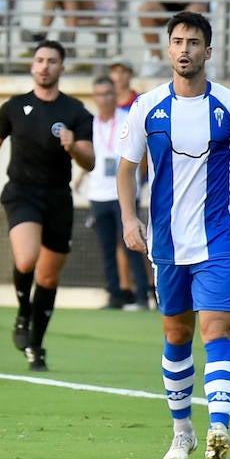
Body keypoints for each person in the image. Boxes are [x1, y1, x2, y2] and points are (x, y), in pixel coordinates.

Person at [117, 11, 230, 459]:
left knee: (216, 330)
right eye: (177, 41)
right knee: (176, 332)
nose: (184, 49)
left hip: (218, 240)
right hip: (165, 243)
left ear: (208, 50)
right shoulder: (145, 107)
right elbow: (127, 169)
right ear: (168, 49)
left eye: (193, 42)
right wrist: (129, 219)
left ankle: (218, 427)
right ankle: (182, 430)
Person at [0, 39, 94, 371]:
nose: (45, 66)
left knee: (49, 279)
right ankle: (23, 311)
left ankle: (36, 346)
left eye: (52, 61)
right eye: (40, 60)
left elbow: (90, 161)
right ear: (32, 66)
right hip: (21, 192)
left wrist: (73, 148)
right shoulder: (13, 106)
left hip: (58, 197)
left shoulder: (76, 112)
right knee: (26, 259)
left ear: (61, 67)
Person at [79, 76, 151, 311]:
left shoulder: (126, 119)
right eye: (99, 94)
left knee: (132, 244)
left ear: (115, 95)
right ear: (94, 97)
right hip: (98, 193)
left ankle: (142, 295)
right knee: (107, 248)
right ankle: (115, 295)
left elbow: (140, 154)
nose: (104, 99)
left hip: (123, 194)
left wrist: (138, 184)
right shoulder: (89, 124)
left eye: (108, 93)